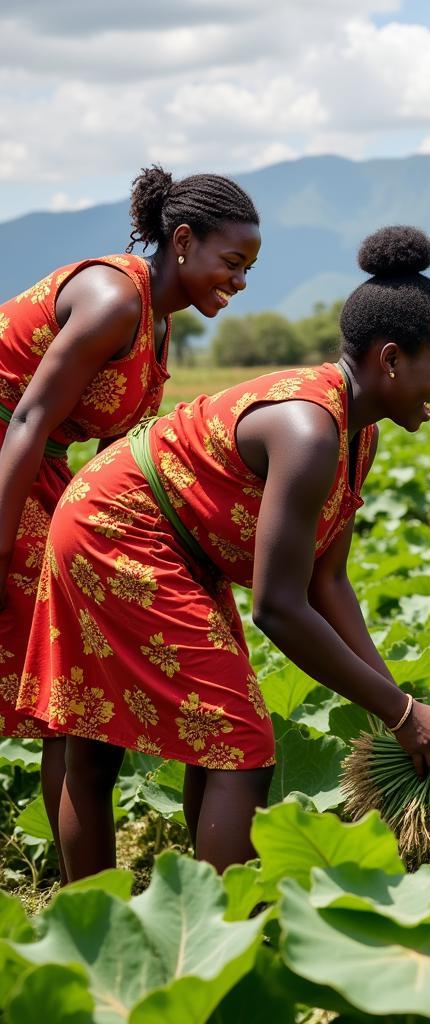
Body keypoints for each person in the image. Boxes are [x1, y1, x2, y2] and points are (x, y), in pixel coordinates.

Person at [18, 226, 430, 879]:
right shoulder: (310, 428)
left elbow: (328, 583)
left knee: (173, 739)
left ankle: (164, 907)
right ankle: (212, 922)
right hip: (116, 531)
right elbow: (279, 609)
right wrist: (402, 714)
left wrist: (395, 703)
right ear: (392, 359)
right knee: (234, 739)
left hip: (167, 544)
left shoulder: (353, 436)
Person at [0, 166, 260, 877]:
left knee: (74, 691)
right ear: (182, 241)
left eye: (249, 269)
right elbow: (27, 415)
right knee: (68, 699)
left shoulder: (157, 319)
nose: (239, 283)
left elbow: (124, 452)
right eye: (231, 263)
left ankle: (84, 891)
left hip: (43, 471)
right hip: (10, 460)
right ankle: (82, 893)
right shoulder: (116, 297)